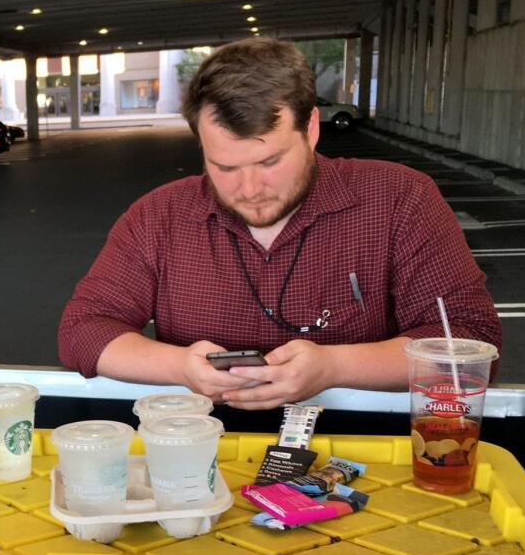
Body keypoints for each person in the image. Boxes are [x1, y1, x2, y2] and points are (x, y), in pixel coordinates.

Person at [58, 38, 501, 411]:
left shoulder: (400, 198)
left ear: (310, 129)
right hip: (205, 443)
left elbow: (470, 342)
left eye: (270, 161)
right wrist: (178, 367)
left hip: (370, 443)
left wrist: (334, 368)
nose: (250, 188)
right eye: (225, 166)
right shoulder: (158, 217)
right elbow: (84, 331)